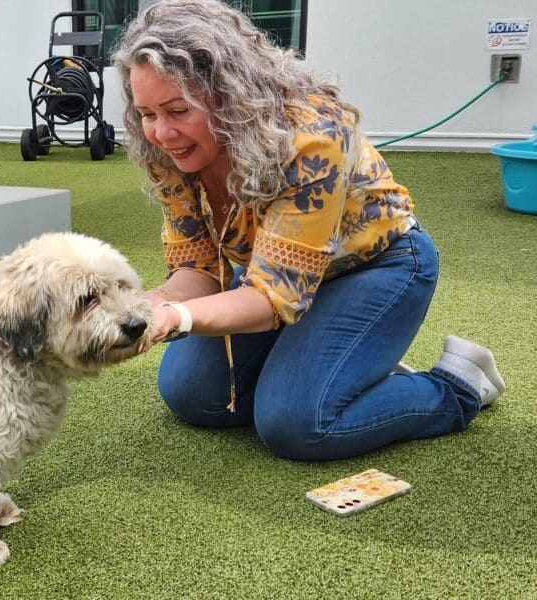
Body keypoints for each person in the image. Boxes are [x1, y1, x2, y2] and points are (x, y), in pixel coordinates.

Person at [112, 0, 506, 461]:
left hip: (377, 266)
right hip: (270, 275)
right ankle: (337, 366)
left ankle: (456, 386)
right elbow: (198, 273)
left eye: (177, 110)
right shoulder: (168, 150)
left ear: (230, 93)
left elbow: (273, 298)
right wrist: (143, 307)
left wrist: (175, 318)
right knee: (192, 394)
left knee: (297, 424)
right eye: (147, 113)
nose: (161, 132)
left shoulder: (313, 134)